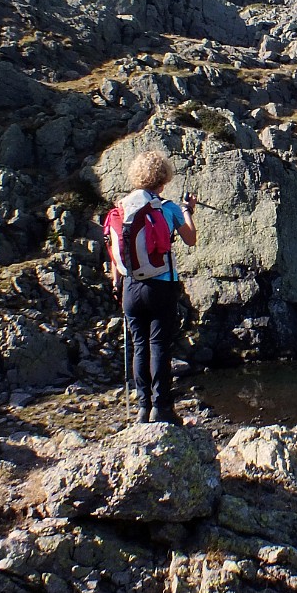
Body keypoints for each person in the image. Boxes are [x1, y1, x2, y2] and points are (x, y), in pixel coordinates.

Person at [107, 150, 197, 424]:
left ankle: (142, 409)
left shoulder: (119, 209)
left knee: (139, 346)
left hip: (130, 287)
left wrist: (117, 284)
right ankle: (162, 408)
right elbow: (190, 239)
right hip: (161, 285)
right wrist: (187, 211)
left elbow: (113, 251)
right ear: (163, 179)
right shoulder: (167, 208)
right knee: (159, 345)